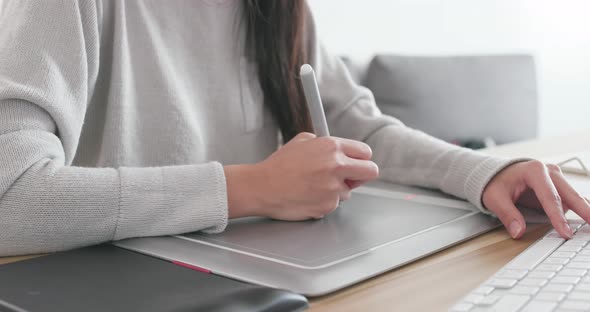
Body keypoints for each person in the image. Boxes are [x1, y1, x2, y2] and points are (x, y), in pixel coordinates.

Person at [0, 0, 587, 257]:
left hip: (252, 277)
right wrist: (253, 188)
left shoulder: (281, 9)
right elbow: (12, 196)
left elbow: (362, 129)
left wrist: (485, 171)